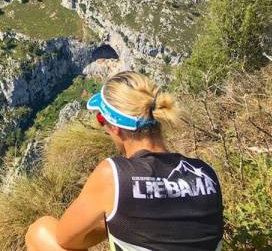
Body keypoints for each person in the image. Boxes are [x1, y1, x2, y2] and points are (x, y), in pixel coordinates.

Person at [25, 71, 223, 251]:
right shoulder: (206, 172)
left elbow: (66, 239)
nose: (102, 126)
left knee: (40, 231)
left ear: (116, 127)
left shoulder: (114, 175)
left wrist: (106, 224)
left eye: (101, 119)